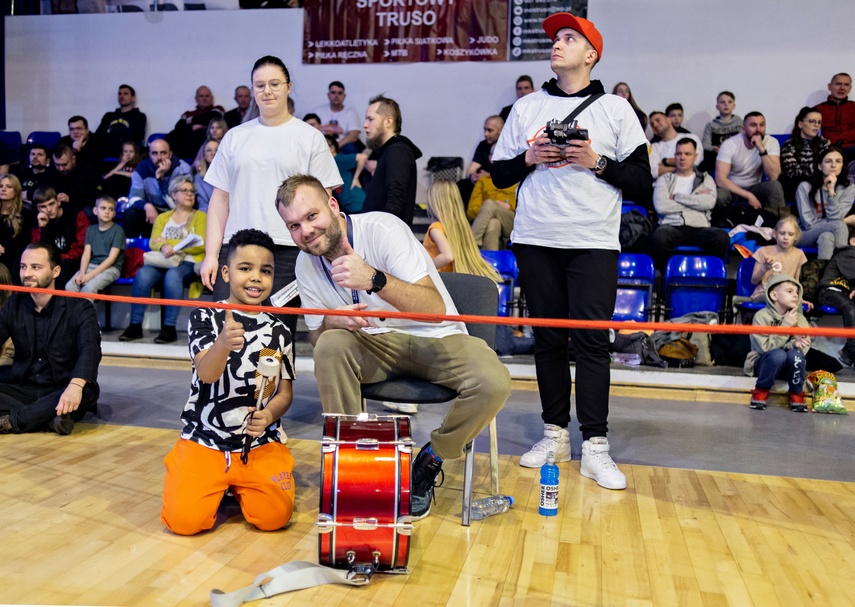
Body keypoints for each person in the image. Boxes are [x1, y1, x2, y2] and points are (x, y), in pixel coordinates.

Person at [276, 174, 511, 519]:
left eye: (311, 216)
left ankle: (432, 459)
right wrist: (332, 322)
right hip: (374, 347)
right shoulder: (305, 264)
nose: (306, 231)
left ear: (332, 204)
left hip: (438, 339)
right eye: (294, 225)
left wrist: (374, 279)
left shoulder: (382, 229)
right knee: (328, 345)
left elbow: (434, 309)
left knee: (494, 382)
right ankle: (355, 466)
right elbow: (315, 338)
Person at [491, 14, 652, 488]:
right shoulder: (526, 106)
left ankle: (596, 446)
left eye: (569, 38)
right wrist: (530, 158)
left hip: (592, 241)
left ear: (591, 54)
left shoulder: (616, 110)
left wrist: (595, 161)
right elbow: (498, 174)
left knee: (590, 343)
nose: (557, 44)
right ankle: (555, 434)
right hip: (535, 237)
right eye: (555, 38)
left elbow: (643, 182)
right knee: (547, 341)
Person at [160, 229, 295, 536]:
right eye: (245, 268)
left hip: (257, 444)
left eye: (266, 271)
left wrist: (270, 415)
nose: (256, 278)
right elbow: (207, 374)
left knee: (275, 518)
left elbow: (284, 392)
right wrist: (222, 344)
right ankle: (201, 475)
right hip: (205, 440)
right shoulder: (205, 317)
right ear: (225, 272)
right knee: (183, 522)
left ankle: (236, 484)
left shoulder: (279, 330)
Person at [201, 55, 342, 342]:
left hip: (288, 252)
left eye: (275, 83)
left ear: (289, 87)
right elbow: (219, 200)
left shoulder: (309, 137)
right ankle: (232, 389)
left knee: (274, 339)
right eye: (260, 85)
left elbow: (323, 203)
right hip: (236, 247)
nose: (267, 91)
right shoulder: (235, 137)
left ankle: (274, 389)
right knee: (229, 335)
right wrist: (210, 255)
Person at [0, 242, 101, 435]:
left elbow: (90, 349)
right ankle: (46, 422)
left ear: (55, 271)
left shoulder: (80, 307)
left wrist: (75, 385)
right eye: (23, 267)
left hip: (63, 389)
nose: (27, 273)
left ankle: (14, 422)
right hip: (25, 387)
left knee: (88, 390)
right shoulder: (14, 304)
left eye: (35, 267)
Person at [120, 175, 206, 344]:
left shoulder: (201, 216)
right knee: (143, 274)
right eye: (184, 191)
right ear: (174, 195)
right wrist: (162, 247)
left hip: (188, 261)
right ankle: (135, 325)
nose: (190, 194)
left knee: (173, 276)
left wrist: (168, 244)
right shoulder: (162, 218)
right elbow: (153, 242)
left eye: (192, 191)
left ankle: (169, 328)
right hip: (162, 260)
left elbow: (201, 243)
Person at [650, 138, 729, 269]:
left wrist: (676, 197)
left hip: (700, 227)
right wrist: (695, 202)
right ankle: (666, 278)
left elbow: (708, 203)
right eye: (679, 154)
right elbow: (661, 206)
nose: (682, 157)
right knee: (659, 236)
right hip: (672, 226)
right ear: (675, 156)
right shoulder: (664, 179)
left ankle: (709, 276)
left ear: (695, 157)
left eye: (687, 154)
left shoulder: (706, 179)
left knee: (721, 237)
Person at [744, 273, 810, 412]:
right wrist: (785, 327)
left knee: (795, 354)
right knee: (778, 355)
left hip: (787, 365)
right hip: (764, 363)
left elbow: (803, 346)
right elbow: (764, 348)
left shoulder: (800, 318)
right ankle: (760, 391)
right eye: (789, 291)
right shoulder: (762, 316)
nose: (795, 295)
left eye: (797, 292)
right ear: (774, 296)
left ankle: (796, 394)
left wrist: (794, 345)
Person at [361, 95, 422, 226]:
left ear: (388, 121)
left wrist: (386, 233)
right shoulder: (388, 151)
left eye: (370, 119)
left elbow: (396, 199)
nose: (365, 125)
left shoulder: (398, 151)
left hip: (387, 240)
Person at [424, 179, 502, 278]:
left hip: (439, 281)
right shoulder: (460, 227)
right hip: (454, 279)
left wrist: (425, 268)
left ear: (433, 202)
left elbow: (447, 256)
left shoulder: (436, 228)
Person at [715, 112, 786, 217]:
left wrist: (761, 149)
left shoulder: (771, 142)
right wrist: (748, 196)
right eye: (753, 125)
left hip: (754, 187)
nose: (758, 129)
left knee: (775, 186)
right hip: (732, 189)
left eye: (762, 125)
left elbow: (774, 176)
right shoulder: (730, 144)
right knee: (719, 196)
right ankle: (724, 227)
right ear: (743, 128)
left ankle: (781, 227)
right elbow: (720, 180)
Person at [125, 138, 192, 238]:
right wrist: (147, 206)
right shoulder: (142, 169)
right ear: (149, 155)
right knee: (130, 213)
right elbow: (133, 198)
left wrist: (160, 179)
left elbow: (177, 204)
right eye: (154, 153)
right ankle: (131, 250)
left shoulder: (183, 169)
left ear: (170, 155)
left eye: (163, 153)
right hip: (153, 209)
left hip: (175, 210)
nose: (159, 157)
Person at [795, 147, 853, 260]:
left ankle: (827, 276)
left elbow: (836, 217)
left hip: (830, 232)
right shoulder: (805, 187)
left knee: (826, 237)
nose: (833, 165)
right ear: (820, 166)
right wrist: (830, 224)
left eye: (838, 161)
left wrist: (831, 192)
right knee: (839, 225)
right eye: (828, 161)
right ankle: (843, 270)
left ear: (842, 165)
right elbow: (808, 223)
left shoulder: (849, 188)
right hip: (805, 234)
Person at [65, 195, 125, 296]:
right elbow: (86, 254)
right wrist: (82, 273)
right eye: (103, 208)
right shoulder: (91, 230)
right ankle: (75, 312)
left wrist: (90, 276)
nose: (107, 212)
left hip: (111, 268)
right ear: (95, 211)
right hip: (92, 265)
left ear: (114, 214)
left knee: (89, 287)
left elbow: (111, 259)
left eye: (111, 209)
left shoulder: (118, 231)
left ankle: (85, 312)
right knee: (70, 287)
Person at [31, 185, 89, 289]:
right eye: (43, 206)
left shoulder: (76, 215)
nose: (48, 209)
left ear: (58, 201)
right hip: (50, 261)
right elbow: (36, 250)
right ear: (38, 208)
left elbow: (81, 247)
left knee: (62, 266)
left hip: (74, 261)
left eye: (51, 204)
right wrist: (42, 228)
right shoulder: (39, 221)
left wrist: (56, 260)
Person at [817, 226, 855, 367]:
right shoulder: (848, 253)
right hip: (829, 291)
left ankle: (848, 352)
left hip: (843, 293)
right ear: (853, 241)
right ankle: (852, 351)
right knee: (850, 308)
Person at [468, 145, 518, 250]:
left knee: (489, 204)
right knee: (493, 223)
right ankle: (490, 263)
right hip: (489, 222)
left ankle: (471, 245)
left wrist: (509, 206)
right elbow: (472, 211)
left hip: (512, 223)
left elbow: (523, 208)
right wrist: (487, 212)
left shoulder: (518, 180)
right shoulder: (483, 181)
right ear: (490, 158)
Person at [749, 216, 808, 301]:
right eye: (782, 233)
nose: (786, 237)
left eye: (790, 234)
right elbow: (754, 280)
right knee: (778, 300)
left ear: (796, 236)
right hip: (764, 293)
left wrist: (799, 299)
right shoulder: (763, 251)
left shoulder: (799, 254)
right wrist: (764, 269)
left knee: (794, 304)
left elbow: (796, 282)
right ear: (775, 234)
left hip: (786, 297)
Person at [780, 107, 830, 201]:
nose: (816, 125)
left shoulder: (823, 144)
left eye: (819, 122)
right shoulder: (789, 145)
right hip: (795, 186)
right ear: (800, 124)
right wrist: (818, 169)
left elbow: (827, 167)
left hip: (820, 183)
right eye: (812, 121)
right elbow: (793, 174)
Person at [44, 144, 101, 219]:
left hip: (79, 206)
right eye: (57, 165)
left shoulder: (88, 171)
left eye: (64, 164)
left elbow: (95, 198)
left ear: (73, 159)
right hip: (55, 206)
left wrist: (70, 199)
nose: (61, 169)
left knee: (89, 212)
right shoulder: (51, 171)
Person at [169, 86, 225, 160]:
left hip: (203, 144)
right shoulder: (187, 113)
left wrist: (191, 121)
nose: (204, 98)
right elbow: (178, 128)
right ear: (196, 99)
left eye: (207, 96)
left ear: (212, 98)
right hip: (185, 146)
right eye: (201, 96)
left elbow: (213, 117)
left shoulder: (217, 109)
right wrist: (193, 127)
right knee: (172, 134)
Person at [458, 115, 504, 206]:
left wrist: (487, 176)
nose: (485, 134)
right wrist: (472, 176)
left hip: (497, 183)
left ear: (501, 131)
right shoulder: (483, 145)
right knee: (461, 185)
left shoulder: (508, 147)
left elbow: (508, 173)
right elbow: (471, 169)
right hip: (480, 182)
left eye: (490, 130)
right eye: (485, 130)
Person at [648, 111, 704, 180]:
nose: (655, 125)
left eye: (658, 120)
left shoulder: (692, 138)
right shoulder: (653, 147)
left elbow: (695, 162)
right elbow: (652, 172)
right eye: (652, 124)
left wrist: (665, 162)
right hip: (664, 187)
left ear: (669, 120)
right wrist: (681, 168)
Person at [0, 174, 35, 282]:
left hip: (13, 258)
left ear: (16, 191)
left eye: (9, 186)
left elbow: (25, 243)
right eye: (1, 186)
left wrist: (4, 249)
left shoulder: (25, 213)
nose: (3, 189)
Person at [95, 84, 147, 156]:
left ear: (133, 98)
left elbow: (136, 137)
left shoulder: (139, 116)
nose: (121, 96)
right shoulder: (109, 116)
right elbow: (99, 135)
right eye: (119, 94)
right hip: (106, 152)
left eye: (125, 94)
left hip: (126, 153)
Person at [312, 81, 362, 153]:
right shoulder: (318, 111)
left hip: (341, 146)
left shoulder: (351, 113)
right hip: (321, 145)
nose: (336, 95)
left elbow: (353, 135)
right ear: (328, 95)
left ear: (344, 96)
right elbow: (309, 129)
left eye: (340, 93)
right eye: (333, 92)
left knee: (351, 147)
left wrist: (336, 146)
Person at [815, 73, 855, 158]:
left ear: (850, 89)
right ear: (829, 86)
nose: (842, 88)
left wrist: (832, 140)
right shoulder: (818, 109)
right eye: (838, 84)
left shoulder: (853, 107)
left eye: (846, 85)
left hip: (850, 149)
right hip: (827, 149)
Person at [701, 91, 741, 172]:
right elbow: (705, 145)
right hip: (717, 155)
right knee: (707, 156)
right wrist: (714, 148)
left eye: (729, 102)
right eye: (722, 102)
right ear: (717, 106)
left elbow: (743, 142)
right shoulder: (711, 125)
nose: (726, 104)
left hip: (735, 154)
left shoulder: (740, 123)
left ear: (734, 106)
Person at [325, 135, 366, 214]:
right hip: (350, 205)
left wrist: (355, 178)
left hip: (357, 203)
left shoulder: (338, 159)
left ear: (332, 148)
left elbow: (362, 157)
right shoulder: (331, 163)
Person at [194, 139, 219, 212]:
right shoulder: (198, 178)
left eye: (217, 150)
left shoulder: (230, 175)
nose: (213, 153)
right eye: (209, 150)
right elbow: (203, 206)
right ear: (204, 155)